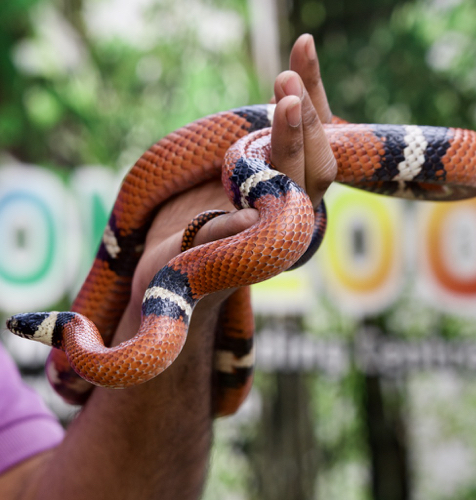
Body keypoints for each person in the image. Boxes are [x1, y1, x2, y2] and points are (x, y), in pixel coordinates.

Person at [0, 34, 336, 499]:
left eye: (24, 328)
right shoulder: (81, 349)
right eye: (25, 328)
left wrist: (182, 273)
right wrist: (208, 266)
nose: (19, 328)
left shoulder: (81, 343)